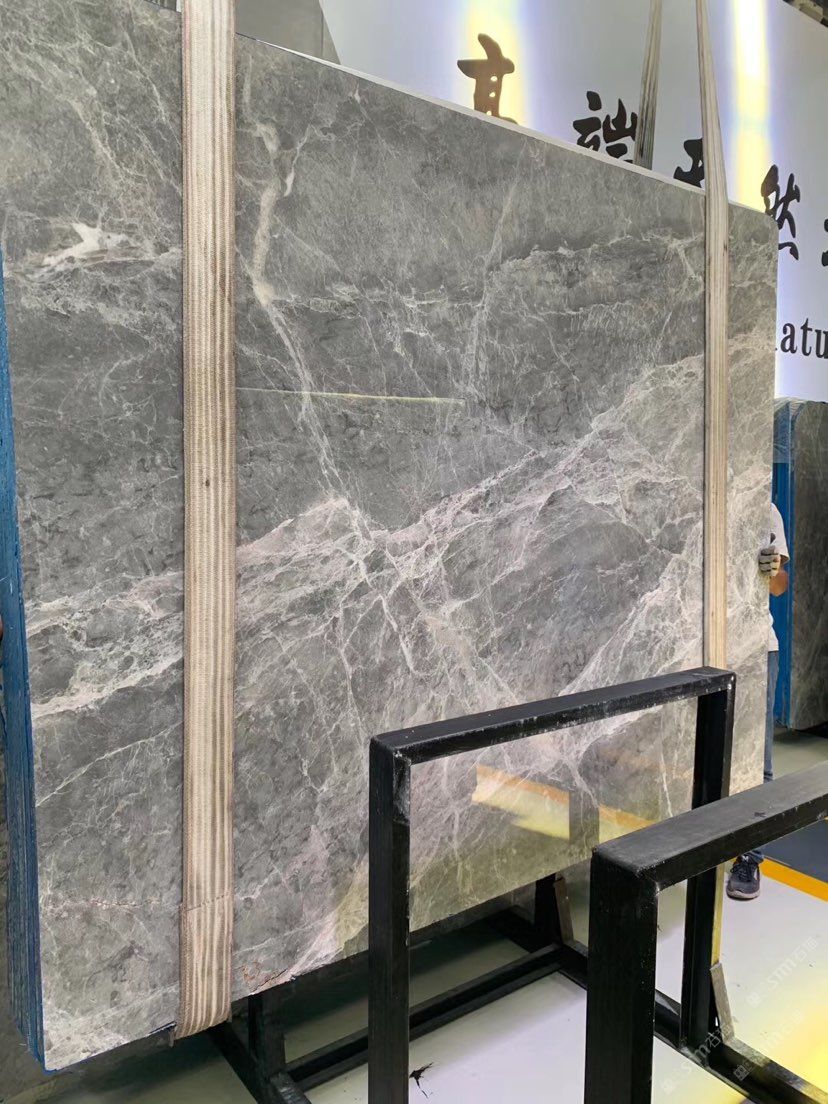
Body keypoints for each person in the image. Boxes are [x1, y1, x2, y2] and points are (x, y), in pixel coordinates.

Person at [726, 502, 789, 901]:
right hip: (708, 650)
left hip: (757, 649)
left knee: (756, 761)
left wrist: (771, 570)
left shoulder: (766, 508)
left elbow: (781, 585)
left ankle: (750, 857)